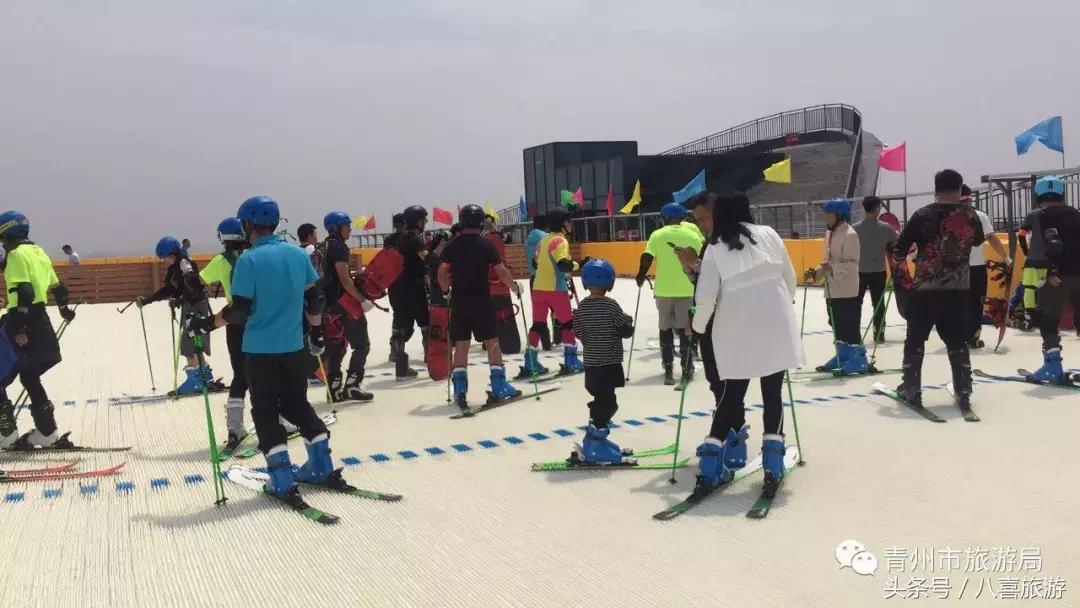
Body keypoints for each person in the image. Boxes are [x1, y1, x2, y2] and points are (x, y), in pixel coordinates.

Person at [226, 195, 354, 506]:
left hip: (260, 351)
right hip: (294, 346)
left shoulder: (248, 260)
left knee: (266, 411)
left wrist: (210, 322)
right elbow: (314, 300)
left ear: (247, 225)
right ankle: (321, 467)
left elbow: (240, 311)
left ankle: (282, 480)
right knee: (298, 405)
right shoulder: (297, 255)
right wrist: (317, 334)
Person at [691, 192, 804, 498]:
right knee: (772, 393)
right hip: (775, 324)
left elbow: (705, 296)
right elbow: (790, 277)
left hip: (736, 329)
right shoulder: (768, 234)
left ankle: (711, 466)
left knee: (731, 395)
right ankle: (772, 464)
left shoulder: (714, 248)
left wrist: (698, 326)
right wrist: (784, 302)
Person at [892, 169, 985, 413]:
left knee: (916, 339)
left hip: (926, 289)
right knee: (957, 340)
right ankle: (964, 389)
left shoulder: (922, 215)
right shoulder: (970, 215)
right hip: (959, 287)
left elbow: (900, 250)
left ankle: (912, 389)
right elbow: (977, 241)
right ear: (959, 188)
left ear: (936, 188)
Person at [0, 211, 79, 449]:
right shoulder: (39, 252)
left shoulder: (16, 256)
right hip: (42, 323)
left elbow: (23, 291)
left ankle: (7, 435)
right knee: (30, 376)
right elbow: (60, 288)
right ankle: (47, 433)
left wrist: (21, 328)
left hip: (20, 324)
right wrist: (64, 309)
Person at [437, 204, 523, 412]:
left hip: (459, 302)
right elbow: (501, 271)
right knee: (492, 342)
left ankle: (460, 389)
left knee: (463, 345)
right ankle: (499, 385)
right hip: (482, 302)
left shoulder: (452, 246)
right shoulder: (485, 245)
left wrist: (445, 290)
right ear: (478, 222)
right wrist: (514, 287)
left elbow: (442, 270)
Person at [197, 218, 258, 450]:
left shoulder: (221, 260)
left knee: (240, 374)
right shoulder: (254, 255)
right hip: (258, 320)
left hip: (234, 320)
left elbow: (199, 281)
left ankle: (235, 429)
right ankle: (280, 421)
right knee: (266, 372)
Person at [570, 259, 635, 463]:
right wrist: (628, 323)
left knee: (601, 400)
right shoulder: (611, 305)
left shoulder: (582, 307)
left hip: (591, 365)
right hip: (609, 364)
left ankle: (595, 438)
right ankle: (594, 444)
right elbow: (624, 330)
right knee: (608, 403)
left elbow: (578, 331)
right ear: (609, 282)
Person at [138, 236, 220, 395]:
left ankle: (194, 382)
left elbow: (193, 287)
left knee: (188, 343)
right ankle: (205, 377)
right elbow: (170, 289)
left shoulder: (184, 264)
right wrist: (148, 300)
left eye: (165, 258)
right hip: (191, 305)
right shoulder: (175, 268)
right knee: (196, 342)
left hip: (195, 306)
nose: (164, 262)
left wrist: (180, 299)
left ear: (173, 254)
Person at [636, 202, 705, 385]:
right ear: (683, 218)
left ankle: (668, 369)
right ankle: (687, 368)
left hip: (664, 291)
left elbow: (647, 257)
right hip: (687, 290)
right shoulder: (692, 234)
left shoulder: (657, 235)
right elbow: (704, 256)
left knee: (665, 329)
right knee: (686, 330)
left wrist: (641, 275)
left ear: (664, 218)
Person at [1025, 176, 1080, 383]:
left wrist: (1055, 270)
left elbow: (1054, 242)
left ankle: (1052, 366)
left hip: (1061, 275)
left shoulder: (1046, 215)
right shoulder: (1075, 213)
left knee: (1047, 318)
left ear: (1037, 195)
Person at [807, 198, 867, 375]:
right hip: (832, 288)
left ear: (840, 215)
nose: (827, 216)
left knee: (849, 324)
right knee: (836, 324)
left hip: (846, 288)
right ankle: (843, 355)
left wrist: (832, 268)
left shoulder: (850, 234)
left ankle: (859, 359)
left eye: (830, 213)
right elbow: (828, 261)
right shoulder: (830, 233)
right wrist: (816, 272)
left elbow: (852, 263)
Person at [523, 207, 585, 376]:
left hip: (538, 287)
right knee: (567, 324)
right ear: (561, 224)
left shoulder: (543, 241)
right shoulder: (559, 241)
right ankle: (571, 360)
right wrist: (581, 264)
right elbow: (563, 265)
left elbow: (535, 264)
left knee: (538, 325)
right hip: (556, 288)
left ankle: (530, 362)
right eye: (568, 221)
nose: (571, 224)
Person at [321, 212, 373, 402]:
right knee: (361, 345)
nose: (350, 228)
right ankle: (352, 386)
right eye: (347, 225)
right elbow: (344, 278)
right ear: (336, 227)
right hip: (344, 303)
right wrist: (361, 300)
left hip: (326, 306)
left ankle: (333, 390)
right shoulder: (339, 247)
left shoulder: (323, 245)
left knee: (336, 348)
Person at [960, 185, 1010, 348]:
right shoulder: (980, 216)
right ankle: (973, 337)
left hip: (954, 269)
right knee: (976, 302)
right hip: (976, 268)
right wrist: (1006, 258)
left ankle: (957, 337)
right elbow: (992, 238)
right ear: (970, 198)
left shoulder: (947, 216)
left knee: (956, 303)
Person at [388, 205, 429, 381]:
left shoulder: (399, 238)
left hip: (398, 286)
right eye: (424, 219)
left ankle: (401, 370)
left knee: (400, 328)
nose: (426, 222)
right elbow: (426, 258)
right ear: (418, 220)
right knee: (426, 324)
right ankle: (432, 359)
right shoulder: (415, 237)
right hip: (415, 286)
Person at [852, 196, 897, 342]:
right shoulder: (886, 227)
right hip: (878, 270)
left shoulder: (855, 228)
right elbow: (894, 245)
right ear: (877, 208)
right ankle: (879, 331)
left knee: (856, 303)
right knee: (878, 302)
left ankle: (854, 333)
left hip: (859, 271)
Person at [1019, 197, 1051, 331]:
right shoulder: (1060, 213)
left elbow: (1021, 235)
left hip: (1033, 258)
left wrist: (1026, 252)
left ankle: (1029, 319)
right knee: (1049, 289)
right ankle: (1048, 319)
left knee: (1030, 289)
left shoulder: (1032, 214)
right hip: (1052, 259)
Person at [524, 215, 553, 350]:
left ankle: (542, 342)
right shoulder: (546, 237)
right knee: (555, 308)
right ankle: (559, 338)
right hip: (547, 277)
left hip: (533, 279)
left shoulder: (528, 238)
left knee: (539, 311)